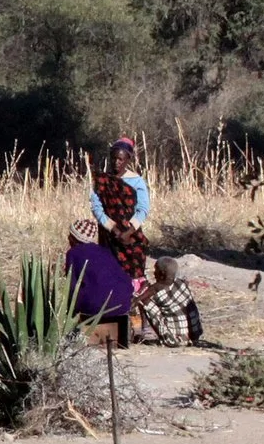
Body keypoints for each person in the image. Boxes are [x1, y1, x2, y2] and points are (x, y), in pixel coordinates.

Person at [88, 137, 152, 291]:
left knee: (134, 275)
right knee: (110, 274)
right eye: (114, 158)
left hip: (131, 236)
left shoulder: (137, 181)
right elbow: (96, 207)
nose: (117, 162)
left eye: (121, 159)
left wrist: (129, 232)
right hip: (109, 236)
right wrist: (113, 229)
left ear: (128, 159)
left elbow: (143, 209)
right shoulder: (102, 180)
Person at [65, 218, 137, 347]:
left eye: (70, 236)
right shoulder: (104, 251)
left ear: (75, 239)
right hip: (123, 303)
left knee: (83, 298)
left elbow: (72, 287)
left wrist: (69, 311)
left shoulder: (73, 253)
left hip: (97, 306)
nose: (68, 238)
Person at [140, 256, 203, 347]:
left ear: (162, 273)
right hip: (195, 336)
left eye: (155, 270)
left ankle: (164, 337)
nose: (154, 273)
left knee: (145, 302)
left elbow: (138, 299)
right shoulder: (181, 283)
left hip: (174, 340)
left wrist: (142, 288)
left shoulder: (157, 287)